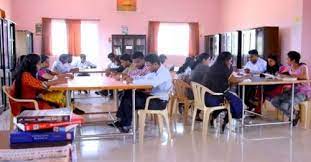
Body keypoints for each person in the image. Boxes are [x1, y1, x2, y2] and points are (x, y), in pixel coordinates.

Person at [112, 54, 172, 133]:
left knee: (129, 100)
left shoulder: (163, 73)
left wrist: (133, 81)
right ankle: (121, 120)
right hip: (152, 97)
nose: (147, 67)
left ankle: (125, 124)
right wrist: (132, 78)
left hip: (159, 102)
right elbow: (144, 78)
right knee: (127, 93)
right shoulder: (155, 71)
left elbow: (152, 82)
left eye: (148, 65)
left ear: (156, 64)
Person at [203, 51, 246, 133]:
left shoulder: (212, 67)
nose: (231, 62)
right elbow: (234, 80)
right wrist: (245, 77)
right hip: (215, 98)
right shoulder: (224, 69)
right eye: (230, 60)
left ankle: (214, 117)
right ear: (226, 60)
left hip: (205, 97)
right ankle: (225, 121)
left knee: (231, 99)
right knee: (237, 103)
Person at [271, 51, 311, 126]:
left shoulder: (303, 67)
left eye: (287, 59)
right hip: (293, 90)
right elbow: (288, 75)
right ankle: (295, 113)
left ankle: (292, 116)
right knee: (274, 100)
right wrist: (279, 75)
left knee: (285, 104)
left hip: (304, 92)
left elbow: (304, 77)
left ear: (293, 60)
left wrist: (291, 76)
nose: (286, 60)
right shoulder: (290, 68)